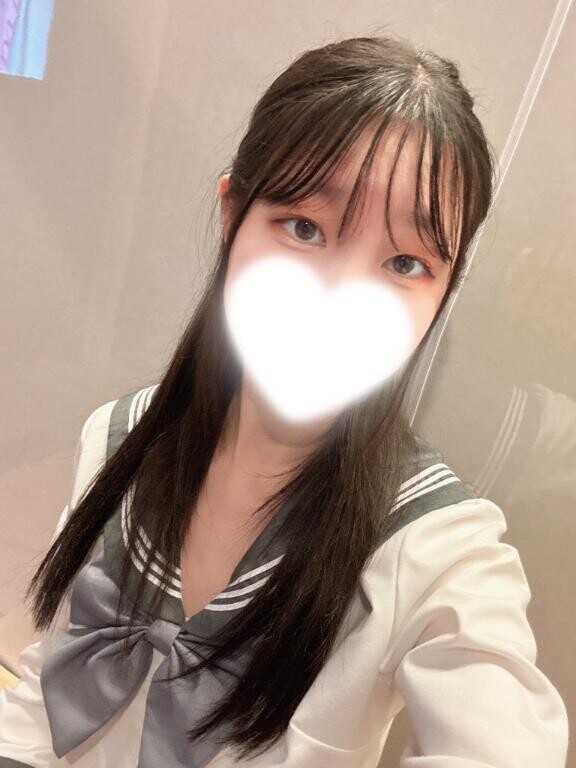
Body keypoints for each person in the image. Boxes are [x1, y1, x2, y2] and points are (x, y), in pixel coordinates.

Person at [0, 34, 569, 768]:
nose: (339, 297)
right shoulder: (118, 436)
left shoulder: (437, 550)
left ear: (443, 294)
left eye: (405, 263)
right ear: (232, 215)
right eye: (305, 228)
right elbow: (45, 693)